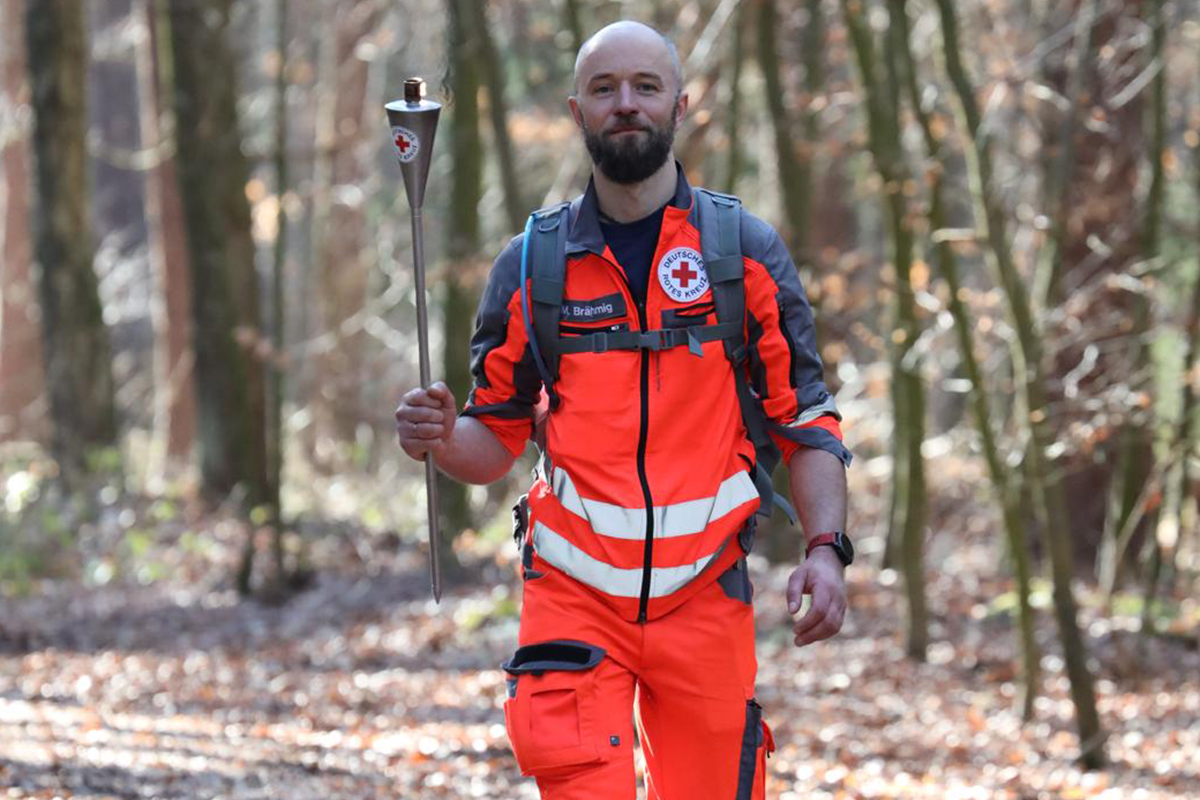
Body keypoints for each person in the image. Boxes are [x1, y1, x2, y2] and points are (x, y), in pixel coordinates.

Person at [396, 20, 851, 800]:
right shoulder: (532, 264)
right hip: (572, 602)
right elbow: (492, 441)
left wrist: (826, 548)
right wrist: (439, 438)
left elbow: (804, 418)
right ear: (577, 111)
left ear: (682, 103)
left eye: (645, 87)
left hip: (706, 596)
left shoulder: (741, 255)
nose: (626, 105)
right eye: (604, 90)